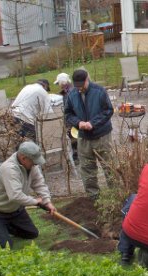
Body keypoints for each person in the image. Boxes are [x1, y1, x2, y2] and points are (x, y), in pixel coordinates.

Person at [0, 141, 56, 249]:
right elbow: (15, 195)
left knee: (32, 234)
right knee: (4, 246)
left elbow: (39, 184)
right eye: (34, 161)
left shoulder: (31, 166)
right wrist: (35, 202)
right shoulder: (9, 169)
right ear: (23, 158)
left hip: (16, 211)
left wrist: (47, 201)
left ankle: (3, 228)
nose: (36, 164)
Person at [64, 69, 114, 200]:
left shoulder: (99, 91)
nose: (79, 88)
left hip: (102, 135)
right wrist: (78, 122)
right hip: (84, 137)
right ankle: (93, 198)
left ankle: (116, 194)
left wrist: (93, 123)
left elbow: (108, 110)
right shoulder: (72, 94)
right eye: (77, 86)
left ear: (87, 80)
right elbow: (68, 114)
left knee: (109, 166)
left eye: (82, 85)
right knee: (87, 168)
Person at [54, 73, 78, 162]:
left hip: (72, 118)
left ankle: (76, 156)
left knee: (74, 136)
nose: (58, 86)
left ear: (63, 82)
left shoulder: (70, 91)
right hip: (70, 117)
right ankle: (76, 154)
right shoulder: (67, 90)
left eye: (58, 83)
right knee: (72, 136)